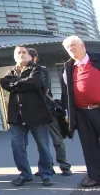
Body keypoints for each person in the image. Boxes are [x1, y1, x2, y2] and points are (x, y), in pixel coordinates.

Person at [0, 46, 54, 187]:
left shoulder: (37, 69)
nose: (21, 54)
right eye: (18, 53)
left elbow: (34, 82)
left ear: (30, 56)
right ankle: (24, 174)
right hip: (16, 117)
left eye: (24, 52)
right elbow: (4, 83)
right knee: (17, 147)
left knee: (43, 146)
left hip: (37, 115)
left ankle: (46, 173)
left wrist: (15, 84)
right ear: (14, 56)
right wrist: (21, 82)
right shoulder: (10, 71)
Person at [59, 36, 100, 187]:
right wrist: (67, 113)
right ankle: (95, 176)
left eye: (73, 45)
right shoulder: (68, 68)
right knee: (89, 146)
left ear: (82, 45)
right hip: (81, 113)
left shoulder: (97, 59)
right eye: (68, 47)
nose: (71, 49)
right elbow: (66, 93)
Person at [27, 48, 72, 177]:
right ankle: (47, 167)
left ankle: (64, 166)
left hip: (49, 110)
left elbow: (42, 89)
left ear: (34, 58)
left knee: (57, 140)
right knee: (41, 143)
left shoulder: (43, 70)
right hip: (36, 113)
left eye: (27, 56)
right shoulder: (24, 72)